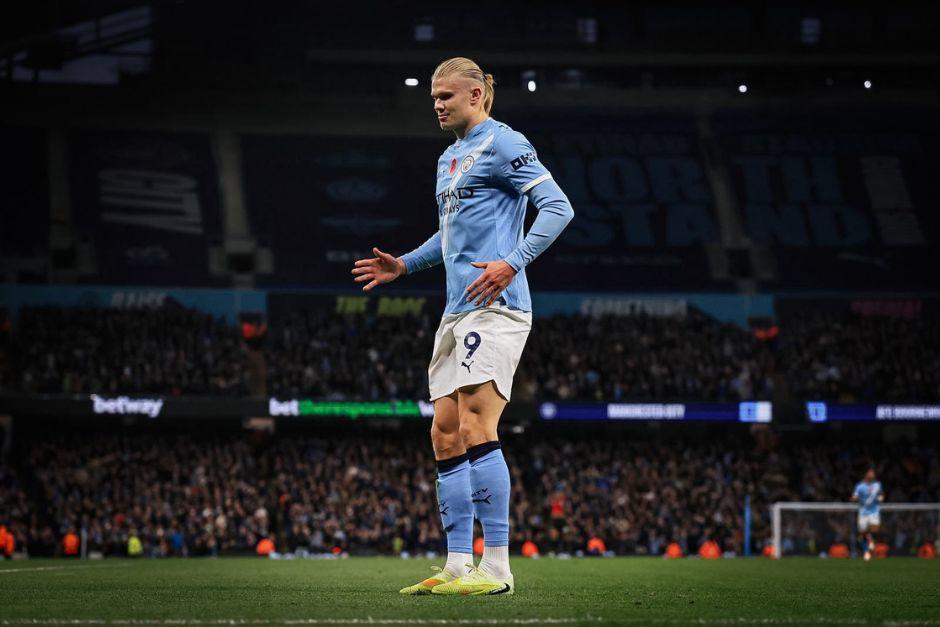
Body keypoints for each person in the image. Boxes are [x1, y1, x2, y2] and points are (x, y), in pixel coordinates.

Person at [352, 57, 573, 595]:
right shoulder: (448, 158)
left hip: (497, 307)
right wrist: (404, 265)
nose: (437, 105)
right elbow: (450, 235)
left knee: (477, 425)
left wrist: (512, 262)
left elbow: (557, 208)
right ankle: (456, 564)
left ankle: (496, 567)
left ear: (476, 95)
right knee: (445, 433)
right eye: (433, 97)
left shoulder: (504, 142)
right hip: (456, 310)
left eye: (446, 96)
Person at [851, 468, 883, 561]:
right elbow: (854, 497)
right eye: (871, 472)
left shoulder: (877, 485)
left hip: (874, 511)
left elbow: (881, 494)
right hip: (863, 512)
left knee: (875, 530)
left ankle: (870, 545)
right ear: (866, 474)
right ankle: (867, 551)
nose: (873, 474)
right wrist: (855, 498)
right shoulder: (860, 486)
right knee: (862, 534)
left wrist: (880, 498)